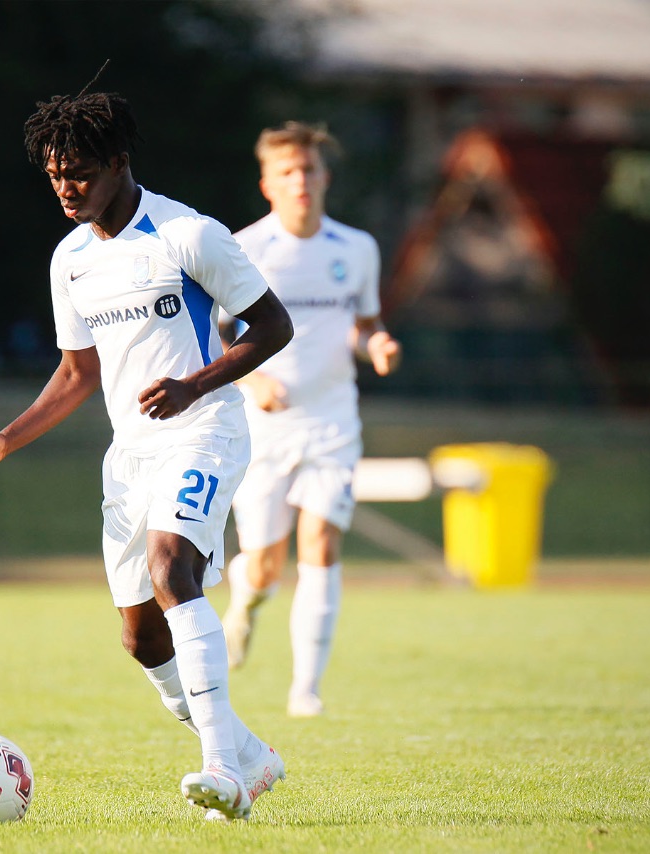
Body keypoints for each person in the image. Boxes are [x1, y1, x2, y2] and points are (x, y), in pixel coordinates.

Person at [0, 87, 293, 821]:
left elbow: (272, 326)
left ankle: (223, 771)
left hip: (205, 430)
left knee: (172, 568)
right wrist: (5, 438)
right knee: (140, 638)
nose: (65, 188)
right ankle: (253, 758)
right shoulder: (70, 260)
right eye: (53, 175)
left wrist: (195, 385)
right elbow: (78, 372)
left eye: (77, 172)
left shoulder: (189, 235)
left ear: (118, 163)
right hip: (130, 455)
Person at [219, 122, 402, 718]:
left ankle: (306, 690)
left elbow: (364, 325)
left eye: (309, 169)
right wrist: (251, 380)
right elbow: (211, 338)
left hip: (332, 422)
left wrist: (376, 345)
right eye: (287, 171)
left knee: (320, 543)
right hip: (263, 429)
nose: (300, 180)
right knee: (265, 566)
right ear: (267, 184)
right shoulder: (243, 250)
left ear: (325, 177)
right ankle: (246, 599)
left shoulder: (357, 248)